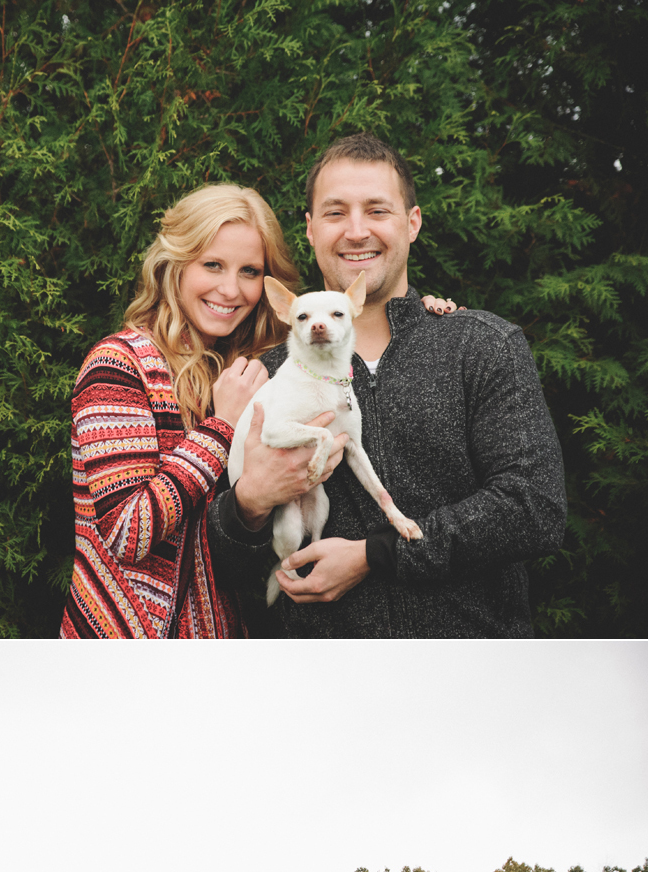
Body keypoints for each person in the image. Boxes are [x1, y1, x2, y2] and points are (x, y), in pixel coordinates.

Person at [60, 182, 459, 638]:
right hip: (126, 642)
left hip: (221, 643)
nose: (230, 290)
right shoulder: (120, 365)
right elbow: (127, 532)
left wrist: (423, 318)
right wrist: (219, 429)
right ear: (175, 265)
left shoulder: (253, 366)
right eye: (212, 265)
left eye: (249, 271)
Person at [207, 133, 567, 638]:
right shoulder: (268, 374)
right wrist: (248, 504)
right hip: (326, 683)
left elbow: (534, 507)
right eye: (335, 213)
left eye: (377, 211)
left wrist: (379, 555)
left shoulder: (480, 346)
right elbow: (219, 565)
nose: (357, 231)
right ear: (310, 230)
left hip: (476, 671)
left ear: (412, 223)